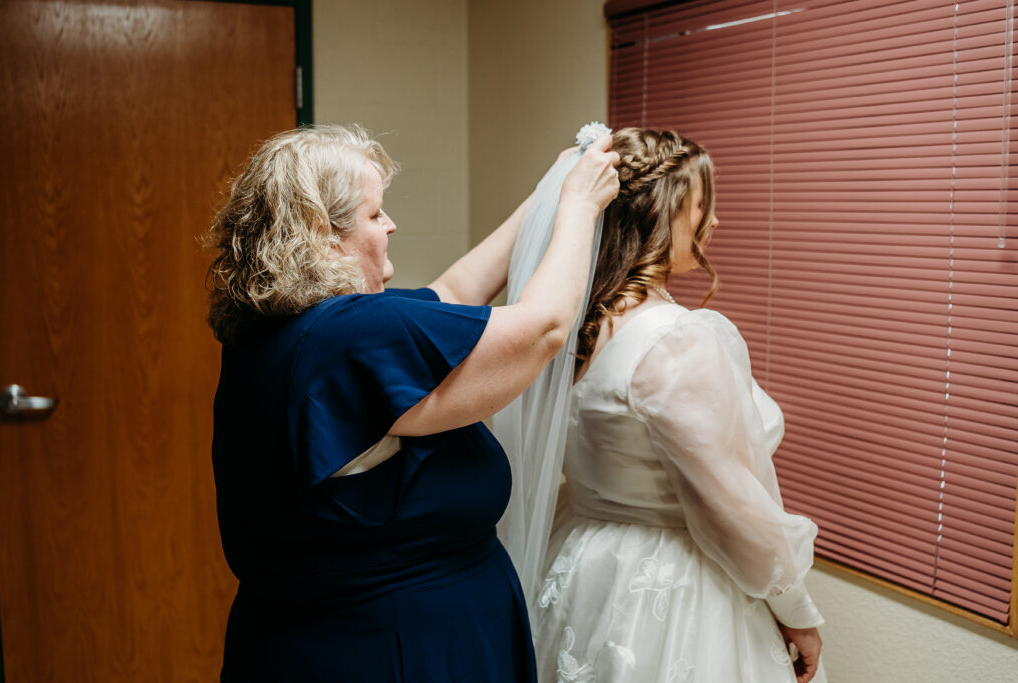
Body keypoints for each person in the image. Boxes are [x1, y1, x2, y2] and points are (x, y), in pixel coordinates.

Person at [202, 123, 619, 682]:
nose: (391, 224)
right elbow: (543, 330)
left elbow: (452, 291)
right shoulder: (352, 334)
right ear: (323, 233)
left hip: (299, 641)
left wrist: (546, 192)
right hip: (397, 650)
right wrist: (579, 208)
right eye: (375, 214)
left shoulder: (275, 331)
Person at [527, 128, 826, 683]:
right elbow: (729, 504)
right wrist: (796, 611)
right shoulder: (675, 339)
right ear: (663, 215)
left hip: (582, 566)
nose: (715, 222)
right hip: (670, 589)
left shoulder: (566, 326)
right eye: (701, 206)